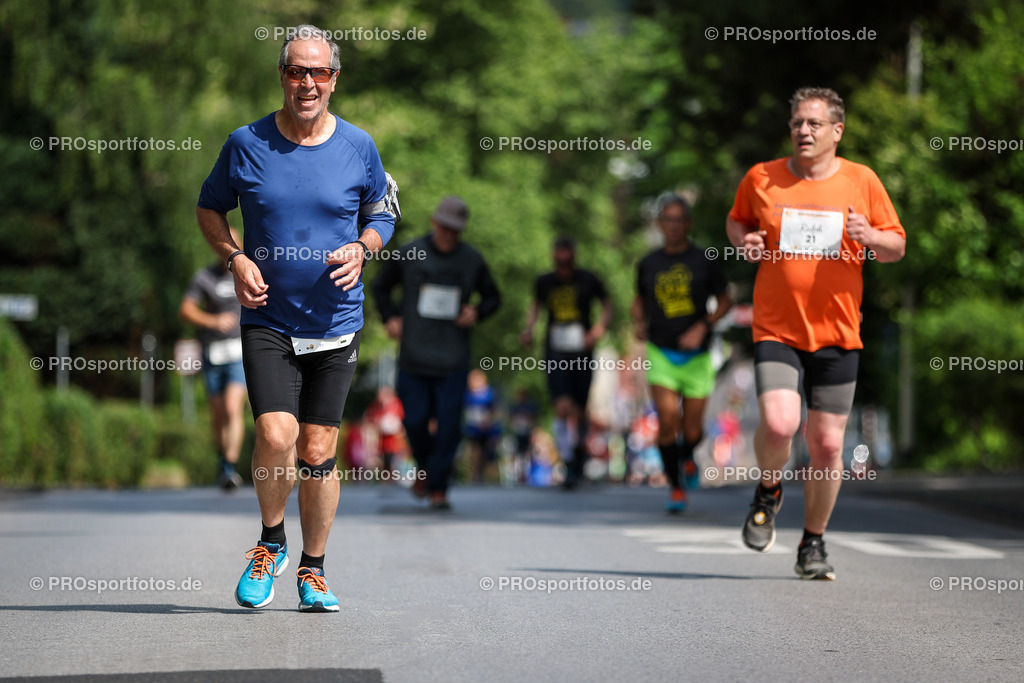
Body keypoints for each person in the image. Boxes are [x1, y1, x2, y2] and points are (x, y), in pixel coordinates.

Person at [195, 24, 399, 611]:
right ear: (281, 76)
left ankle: (313, 570)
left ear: (335, 79)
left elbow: (382, 214)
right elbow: (210, 207)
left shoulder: (360, 146)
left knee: (316, 448)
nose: (307, 82)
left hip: (336, 320)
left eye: (319, 72)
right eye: (295, 71)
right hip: (268, 319)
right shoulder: (246, 143)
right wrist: (234, 258)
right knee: (273, 432)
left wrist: (363, 248)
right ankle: (269, 542)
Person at [726, 87, 905, 580]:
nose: (803, 131)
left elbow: (896, 245)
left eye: (814, 124)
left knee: (827, 445)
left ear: (836, 131)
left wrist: (870, 237)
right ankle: (768, 489)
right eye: (797, 123)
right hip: (777, 327)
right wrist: (747, 242)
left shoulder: (861, 180)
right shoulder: (762, 178)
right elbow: (736, 222)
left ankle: (813, 543)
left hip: (838, 332)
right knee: (781, 425)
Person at [371, 195, 501, 510]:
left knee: (449, 426)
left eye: (455, 230)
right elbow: (380, 286)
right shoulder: (411, 252)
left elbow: (493, 297)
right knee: (414, 422)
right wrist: (390, 318)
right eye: (444, 228)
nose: (448, 235)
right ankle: (428, 470)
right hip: (415, 356)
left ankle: (438, 487)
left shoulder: (472, 259)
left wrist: (477, 312)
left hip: (452, 359)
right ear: (434, 223)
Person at [633, 194, 732, 513]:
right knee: (667, 421)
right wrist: (637, 321)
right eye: (668, 220)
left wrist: (703, 325)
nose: (673, 226)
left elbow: (726, 300)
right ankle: (675, 486)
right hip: (662, 352)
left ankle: (686, 454)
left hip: (697, 356)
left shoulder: (704, 261)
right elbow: (639, 300)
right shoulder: (648, 263)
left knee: (692, 430)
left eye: (679, 220)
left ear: (687, 224)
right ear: (660, 224)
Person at [520, 236, 611, 489]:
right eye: (558, 253)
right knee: (561, 405)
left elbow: (606, 304)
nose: (562, 258)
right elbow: (535, 307)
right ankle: (568, 461)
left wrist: (598, 329)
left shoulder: (587, 279)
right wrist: (528, 330)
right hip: (555, 350)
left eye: (566, 252)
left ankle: (579, 453)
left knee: (579, 408)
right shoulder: (544, 282)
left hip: (582, 350)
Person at [179, 229, 248, 491]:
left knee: (233, 408)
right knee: (218, 414)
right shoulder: (204, 277)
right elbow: (185, 310)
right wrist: (213, 321)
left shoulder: (249, 271)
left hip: (239, 351)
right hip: (212, 352)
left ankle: (230, 468)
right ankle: (223, 462)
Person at [463, 369, 501, 483]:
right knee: (475, 451)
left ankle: (493, 478)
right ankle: (477, 476)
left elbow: (495, 410)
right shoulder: (467, 394)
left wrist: (488, 421)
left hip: (489, 429)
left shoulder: (490, 393)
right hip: (474, 429)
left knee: (490, 454)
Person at [364, 385, 408, 477]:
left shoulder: (397, 404)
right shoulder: (376, 406)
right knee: (385, 464)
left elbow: (402, 420)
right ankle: (387, 479)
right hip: (383, 442)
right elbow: (369, 418)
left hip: (395, 442)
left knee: (396, 463)